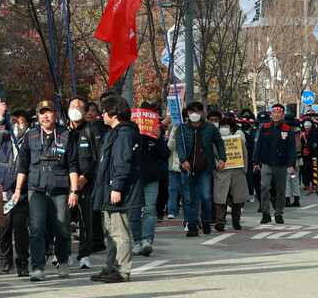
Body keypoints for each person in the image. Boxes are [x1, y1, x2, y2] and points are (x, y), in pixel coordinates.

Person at [10, 99, 80, 282]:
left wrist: (74, 191)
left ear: (55, 114)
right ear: (38, 115)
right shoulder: (30, 135)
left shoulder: (66, 135)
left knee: (62, 229)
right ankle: (38, 267)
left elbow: (73, 165)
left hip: (60, 190)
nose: (45, 116)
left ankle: (63, 262)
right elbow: (23, 165)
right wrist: (18, 190)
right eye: (42, 112)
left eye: (49, 112)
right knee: (36, 229)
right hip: (36, 190)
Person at [90, 94, 142, 284]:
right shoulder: (114, 132)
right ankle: (111, 266)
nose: (102, 115)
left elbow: (121, 163)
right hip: (109, 189)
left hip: (117, 190)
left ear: (114, 113)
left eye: (104, 111)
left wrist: (116, 187)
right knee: (111, 231)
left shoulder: (124, 134)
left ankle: (122, 270)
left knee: (119, 232)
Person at [0, 102, 31, 277]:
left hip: (23, 193)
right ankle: (5, 260)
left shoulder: (30, 140)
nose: (17, 125)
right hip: (3, 193)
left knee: (20, 226)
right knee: (3, 228)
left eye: (21, 122)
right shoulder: (1, 140)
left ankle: (23, 261)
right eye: (13, 121)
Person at [177, 102, 226, 236]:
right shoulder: (181, 129)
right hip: (187, 170)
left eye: (197, 112)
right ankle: (192, 224)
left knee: (206, 197)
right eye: (192, 112)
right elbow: (180, 147)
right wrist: (184, 160)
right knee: (189, 199)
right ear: (187, 113)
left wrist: (222, 158)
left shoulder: (210, 128)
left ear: (202, 113)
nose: (194, 114)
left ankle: (205, 219)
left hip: (205, 169)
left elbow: (220, 144)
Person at [66, 96, 102, 268]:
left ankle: (84, 255)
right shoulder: (63, 131)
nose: (76, 110)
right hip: (65, 182)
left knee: (86, 221)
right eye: (73, 106)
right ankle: (64, 253)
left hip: (85, 183)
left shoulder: (91, 130)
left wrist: (86, 176)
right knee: (63, 219)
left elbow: (98, 157)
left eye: (80, 107)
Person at [129, 108, 169, 255]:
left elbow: (164, 154)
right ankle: (137, 241)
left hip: (151, 179)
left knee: (150, 210)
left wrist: (159, 140)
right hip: (133, 181)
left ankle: (147, 241)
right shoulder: (130, 137)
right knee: (133, 214)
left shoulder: (154, 137)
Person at [253, 104, 296, 224]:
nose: (276, 115)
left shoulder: (288, 130)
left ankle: (278, 213)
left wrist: (291, 164)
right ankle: (265, 213)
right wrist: (256, 162)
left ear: (283, 115)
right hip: (266, 163)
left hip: (282, 164)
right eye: (274, 113)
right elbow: (258, 146)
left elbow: (292, 149)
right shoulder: (265, 128)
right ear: (270, 114)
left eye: (279, 113)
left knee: (281, 190)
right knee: (264, 187)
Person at [212, 117, 250, 231]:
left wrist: (244, 169)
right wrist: (217, 166)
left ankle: (236, 221)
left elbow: (245, 155)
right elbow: (212, 156)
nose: (223, 129)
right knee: (220, 199)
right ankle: (220, 222)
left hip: (237, 172)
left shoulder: (237, 139)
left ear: (231, 128)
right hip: (222, 172)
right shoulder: (215, 141)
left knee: (237, 199)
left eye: (226, 126)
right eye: (222, 126)